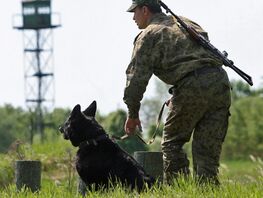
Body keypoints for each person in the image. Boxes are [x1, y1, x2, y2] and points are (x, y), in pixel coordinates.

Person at [123, 0, 231, 185]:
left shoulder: (148, 35)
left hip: (192, 86)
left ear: (145, 10)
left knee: (172, 144)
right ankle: (208, 192)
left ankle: (179, 190)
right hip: (220, 83)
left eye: (134, 12)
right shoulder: (186, 22)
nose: (133, 17)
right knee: (207, 151)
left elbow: (136, 80)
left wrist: (132, 114)